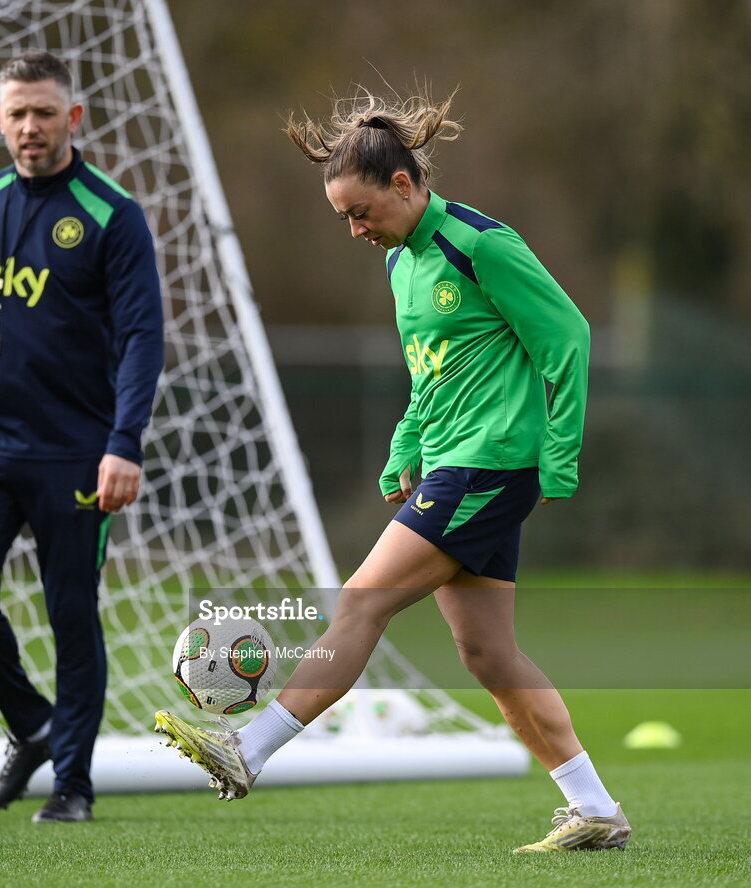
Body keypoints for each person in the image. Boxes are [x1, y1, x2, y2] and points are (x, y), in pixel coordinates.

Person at [154, 87, 630, 853]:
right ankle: (595, 808)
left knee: (360, 604)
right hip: (449, 463)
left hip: (488, 465)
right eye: (343, 216)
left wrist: (561, 458)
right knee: (487, 653)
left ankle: (247, 752)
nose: (354, 230)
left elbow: (568, 336)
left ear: (403, 185)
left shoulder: (479, 245)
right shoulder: (403, 262)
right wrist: (406, 445)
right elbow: (431, 372)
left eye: (361, 211)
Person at [0, 50, 164, 823]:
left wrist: (125, 441)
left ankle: (72, 784)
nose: (30, 126)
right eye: (16, 112)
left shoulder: (112, 213)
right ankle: (33, 723)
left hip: (77, 452)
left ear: (72, 118)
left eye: (44, 112)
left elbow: (144, 336)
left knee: (70, 610)